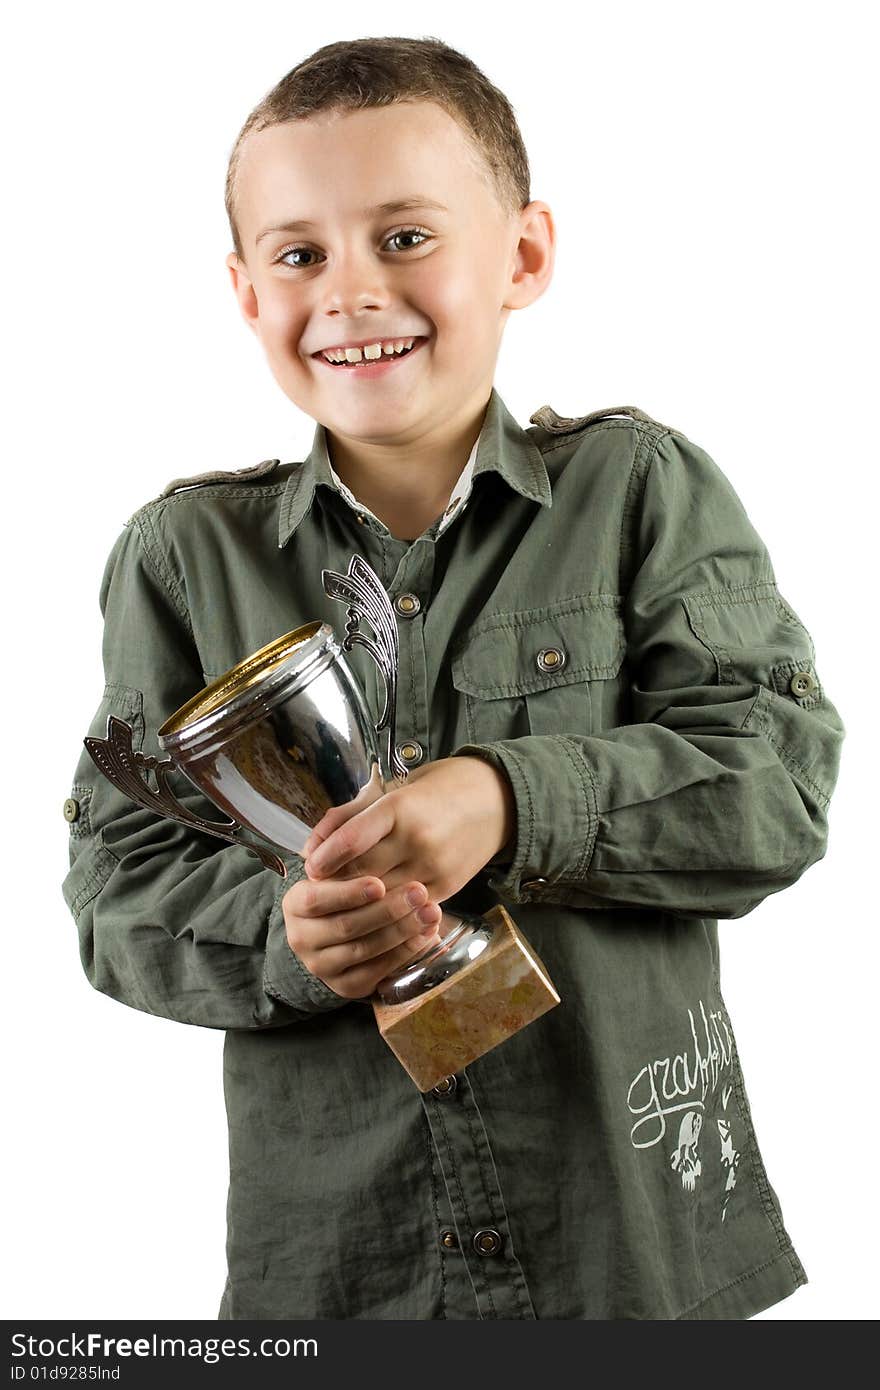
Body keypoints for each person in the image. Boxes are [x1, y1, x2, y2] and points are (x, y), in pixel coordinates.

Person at [62, 35, 845, 1320]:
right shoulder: (183, 558)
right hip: (338, 1267)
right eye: (299, 252)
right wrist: (285, 936)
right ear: (246, 291)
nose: (351, 291)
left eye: (406, 236)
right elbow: (115, 887)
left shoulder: (639, 488)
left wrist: (506, 797)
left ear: (523, 255)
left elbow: (778, 779)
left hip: (628, 1246)